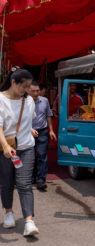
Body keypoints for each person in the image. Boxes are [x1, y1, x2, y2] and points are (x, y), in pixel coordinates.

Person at [0, 69, 39, 236]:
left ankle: (29, 221)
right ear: (13, 82)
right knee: (6, 183)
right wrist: (6, 146)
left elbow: (26, 120)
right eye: (24, 86)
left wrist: (29, 130)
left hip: (26, 148)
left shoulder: (29, 100)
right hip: (6, 149)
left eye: (29, 86)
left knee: (24, 184)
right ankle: (9, 212)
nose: (28, 90)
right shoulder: (1, 99)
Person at [28, 81, 57, 191]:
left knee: (42, 155)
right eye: (33, 91)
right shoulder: (24, 102)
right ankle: (32, 178)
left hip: (43, 131)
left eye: (37, 91)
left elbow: (48, 115)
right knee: (30, 156)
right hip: (28, 132)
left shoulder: (45, 101)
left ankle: (41, 180)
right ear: (28, 91)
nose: (36, 93)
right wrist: (29, 130)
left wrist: (51, 130)